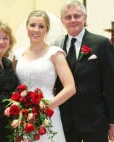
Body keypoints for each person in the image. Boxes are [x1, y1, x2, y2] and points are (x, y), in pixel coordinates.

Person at [51, 1, 114, 142]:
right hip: (65, 121)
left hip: (95, 120)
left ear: (85, 18)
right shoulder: (55, 47)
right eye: (68, 17)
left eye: (77, 16)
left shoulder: (101, 44)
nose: (73, 20)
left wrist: (113, 122)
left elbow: (112, 85)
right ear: (62, 21)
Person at [13, 10, 76, 142]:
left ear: (47, 29)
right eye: (32, 25)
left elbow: (70, 88)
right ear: (27, 27)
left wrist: (44, 109)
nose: (36, 30)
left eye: (41, 26)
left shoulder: (55, 53)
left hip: (48, 112)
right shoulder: (18, 54)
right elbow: (14, 85)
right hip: (24, 114)